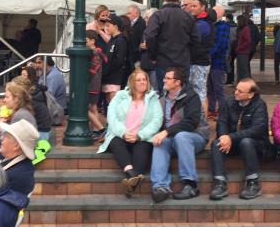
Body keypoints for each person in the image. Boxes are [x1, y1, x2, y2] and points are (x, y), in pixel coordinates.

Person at [98, 69, 163, 197]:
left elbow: (157, 120)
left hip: (141, 137)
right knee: (115, 142)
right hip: (121, 135)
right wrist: (123, 133)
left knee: (143, 147)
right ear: (132, 83)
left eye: (144, 79)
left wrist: (139, 135)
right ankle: (130, 173)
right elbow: (111, 116)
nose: (142, 82)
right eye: (139, 80)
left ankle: (131, 183)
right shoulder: (120, 96)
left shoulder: (153, 98)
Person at [149, 67, 209, 202]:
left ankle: (190, 185)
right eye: (165, 77)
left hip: (195, 137)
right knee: (161, 142)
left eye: (168, 78)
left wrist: (166, 132)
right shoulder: (162, 99)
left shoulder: (192, 97)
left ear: (178, 82)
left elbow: (191, 123)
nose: (164, 80)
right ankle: (160, 187)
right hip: (172, 138)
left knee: (181, 136)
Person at [209, 78, 270, 200]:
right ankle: (220, 183)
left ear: (250, 94)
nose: (236, 92)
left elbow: (257, 130)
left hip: (257, 145)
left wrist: (230, 137)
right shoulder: (229, 101)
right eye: (236, 89)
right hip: (233, 143)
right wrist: (223, 137)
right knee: (216, 143)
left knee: (246, 142)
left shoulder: (259, 105)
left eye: (240, 91)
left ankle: (253, 183)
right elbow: (222, 122)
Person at [144, 0, 200, 94]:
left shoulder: (158, 16)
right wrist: (190, 56)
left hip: (163, 61)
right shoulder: (188, 17)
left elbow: (150, 36)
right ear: (179, 0)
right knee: (182, 93)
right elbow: (196, 40)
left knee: (165, 94)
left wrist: (152, 56)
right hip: (182, 62)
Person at [189, 0, 213, 117]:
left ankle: (202, 122)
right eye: (191, 6)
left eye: (194, 6)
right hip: (198, 61)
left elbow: (190, 40)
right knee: (200, 92)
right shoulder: (200, 21)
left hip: (199, 62)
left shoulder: (202, 24)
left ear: (203, 7)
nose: (191, 8)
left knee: (200, 93)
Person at [207, 5, 229, 120]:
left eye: (215, 11)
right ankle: (211, 110)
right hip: (209, 62)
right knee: (209, 88)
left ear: (220, 13)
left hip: (217, 63)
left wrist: (208, 55)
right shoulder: (211, 25)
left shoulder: (223, 26)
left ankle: (222, 112)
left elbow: (221, 45)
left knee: (219, 89)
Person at [17, 69, 52, 140]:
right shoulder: (34, 92)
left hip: (41, 131)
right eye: (21, 74)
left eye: (24, 75)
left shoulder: (31, 98)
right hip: (41, 128)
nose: (22, 76)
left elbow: (22, 117)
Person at [101, 15, 129, 103]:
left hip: (115, 78)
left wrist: (107, 70)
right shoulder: (112, 40)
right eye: (105, 25)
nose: (106, 28)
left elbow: (119, 60)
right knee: (108, 105)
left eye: (108, 25)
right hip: (108, 77)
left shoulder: (121, 40)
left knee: (114, 105)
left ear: (116, 26)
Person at [86, 30, 106, 140]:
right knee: (93, 108)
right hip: (95, 85)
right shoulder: (97, 53)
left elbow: (92, 71)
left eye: (86, 41)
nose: (84, 43)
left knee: (84, 108)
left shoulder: (94, 54)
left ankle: (101, 128)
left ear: (92, 41)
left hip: (91, 86)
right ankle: (96, 131)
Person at [126, 4, 146, 72]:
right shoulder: (132, 23)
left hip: (137, 58)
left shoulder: (141, 23)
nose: (127, 15)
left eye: (129, 13)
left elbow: (138, 41)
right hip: (133, 57)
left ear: (136, 13)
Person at [234, 15, 251, 81]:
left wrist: (239, 48)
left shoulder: (246, 29)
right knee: (240, 70)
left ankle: (246, 88)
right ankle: (240, 87)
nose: (237, 22)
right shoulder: (242, 29)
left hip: (243, 52)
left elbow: (248, 41)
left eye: (238, 20)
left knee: (243, 71)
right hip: (240, 52)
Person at [224, 13, 238, 85]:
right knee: (232, 63)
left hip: (228, 47)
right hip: (235, 47)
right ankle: (231, 79)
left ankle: (229, 79)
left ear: (227, 18)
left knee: (228, 63)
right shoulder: (236, 26)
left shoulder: (226, 26)